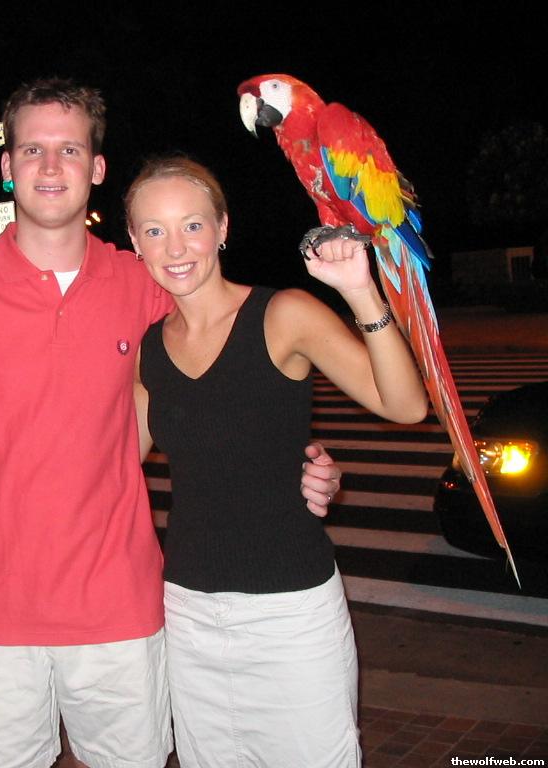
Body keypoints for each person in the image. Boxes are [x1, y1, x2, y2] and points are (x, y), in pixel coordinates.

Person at [0, 80, 341, 768]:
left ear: (96, 168)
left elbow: (231, 370)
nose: (49, 165)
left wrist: (294, 458)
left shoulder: (145, 283)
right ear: (7, 167)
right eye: (31, 149)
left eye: (69, 149)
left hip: (119, 616)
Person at [126, 156, 429, 768]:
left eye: (192, 225)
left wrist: (360, 290)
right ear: (135, 242)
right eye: (155, 230)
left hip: (291, 611)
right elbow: (111, 465)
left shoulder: (282, 314)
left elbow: (404, 405)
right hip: (187, 611)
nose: (175, 247)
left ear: (223, 228)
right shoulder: (149, 349)